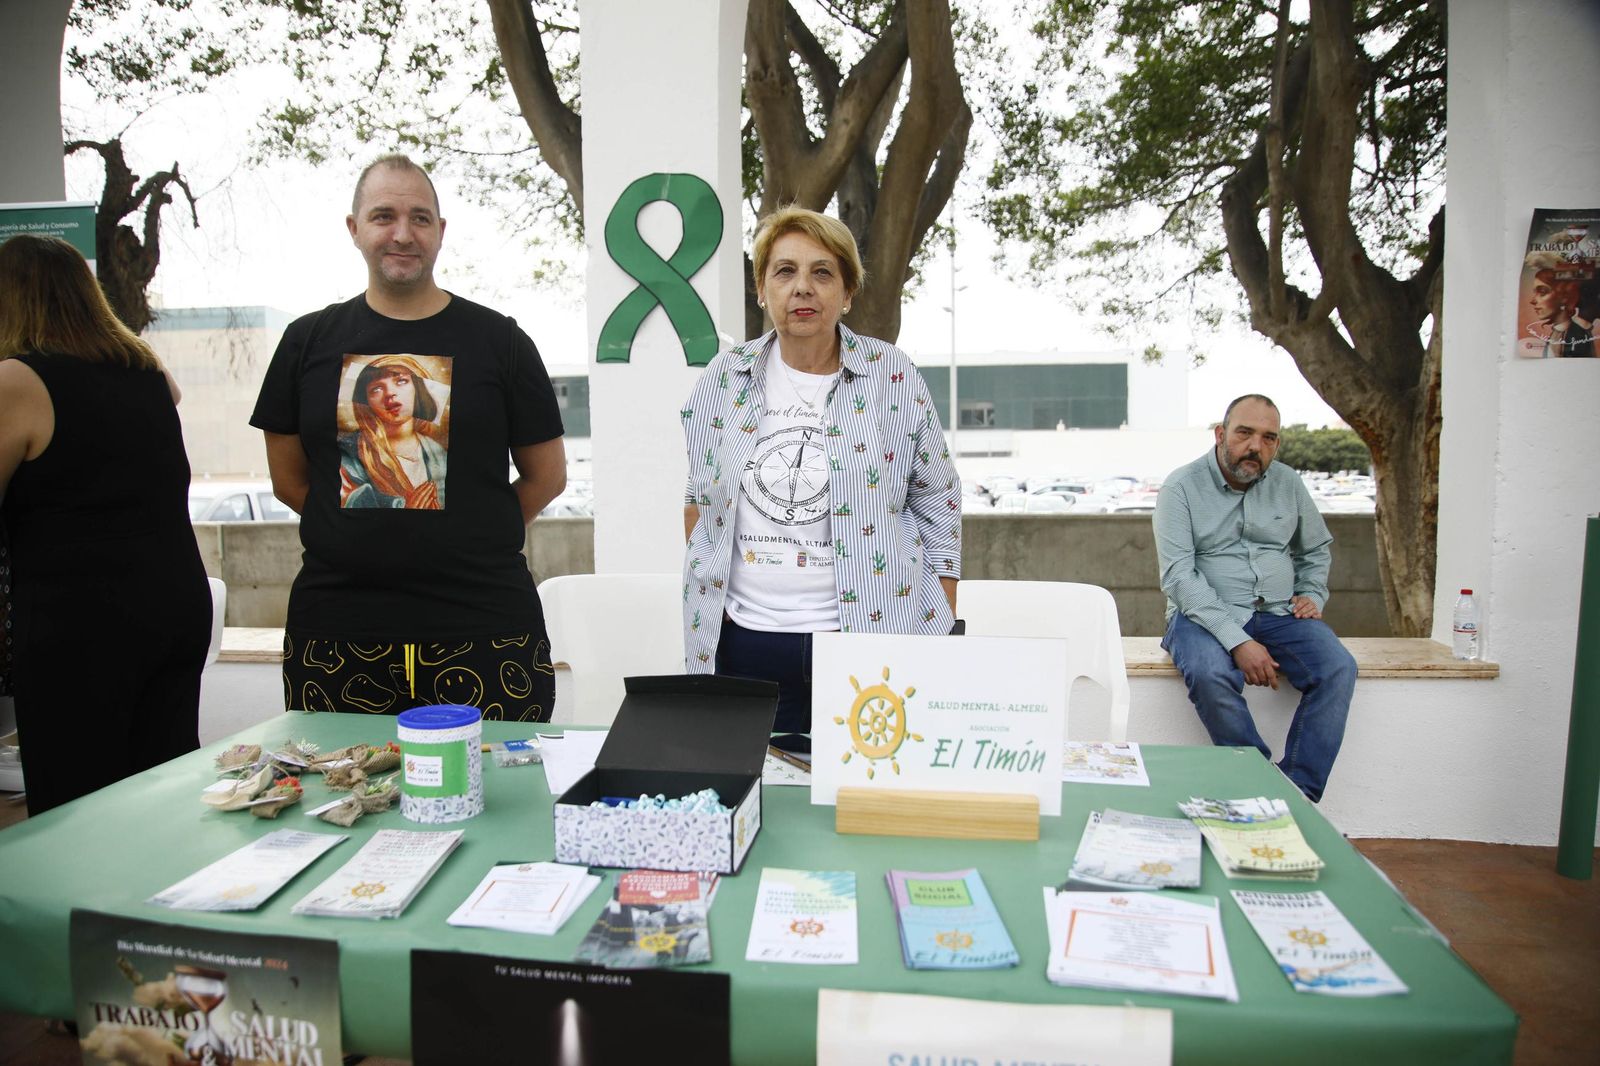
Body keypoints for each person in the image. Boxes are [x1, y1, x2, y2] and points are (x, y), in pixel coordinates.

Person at [252, 153, 567, 721]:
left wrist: (474, 529)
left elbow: (548, 477)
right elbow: (288, 479)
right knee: (345, 800)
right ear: (354, 229)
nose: (403, 234)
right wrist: (365, 519)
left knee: (496, 801)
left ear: (441, 233)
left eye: (420, 218)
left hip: (486, 633)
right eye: (383, 217)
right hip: (338, 634)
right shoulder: (306, 341)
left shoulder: (502, 341)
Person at [681, 206, 962, 750]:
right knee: (758, 799)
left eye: (822, 272)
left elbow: (937, 500)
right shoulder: (724, 379)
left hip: (871, 641)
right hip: (745, 644)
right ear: (762, 290)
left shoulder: (894, 376)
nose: (802, 287)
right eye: (784, 272)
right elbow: (699, 501)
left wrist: (943, 624)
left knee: (870, 803)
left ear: (847, 293)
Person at [0, 234, 210, 815]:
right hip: (173, 605)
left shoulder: (16, 380)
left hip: (82, 619)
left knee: (77, 805)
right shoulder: (150, 375)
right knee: (162, 792)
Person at [1153, 394, 1356, 802]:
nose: (1255, 447)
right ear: (1220, 434)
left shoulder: (1287, 483)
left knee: (1338, 668)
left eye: (1268, 438)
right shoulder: (1181, 487)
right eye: (1244, 433)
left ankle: (1296, 796)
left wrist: (1312, 592)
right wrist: (1239, 641)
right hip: (1200, 616)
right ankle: (1259, 782)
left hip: (1280, 612)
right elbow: (1178, 574)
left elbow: (1314, 550)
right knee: (1211, 674)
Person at [339, 354, 449, 508]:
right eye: (376, 389)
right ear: (366, 402)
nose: (390, 393)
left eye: (401, 381)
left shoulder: (439, 453)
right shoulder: (349, 453)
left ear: (418, 388)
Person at [1528, 267, 1596, 358]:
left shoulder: (1576, 334)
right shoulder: (1559, 331)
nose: (1532, 301)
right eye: (1535, 292)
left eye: (1542, 292)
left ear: (1564, 297)